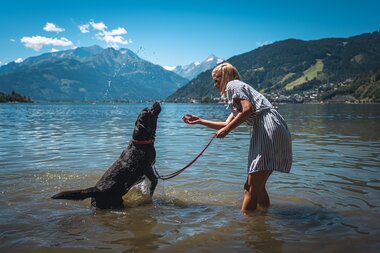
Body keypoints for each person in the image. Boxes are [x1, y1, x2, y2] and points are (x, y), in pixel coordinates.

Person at [183, 62, 292, 212]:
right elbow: (226, 123)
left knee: (250, 188)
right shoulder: (238, 93)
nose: (214, 84)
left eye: (216, 80)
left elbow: (247, 110)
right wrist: (200, 121)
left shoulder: (233, 85)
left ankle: (247, 227)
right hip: (274, 128)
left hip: (268, 129)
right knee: (257, 187)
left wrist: (228, 130)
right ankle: (264, 219)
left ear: (225, 77)